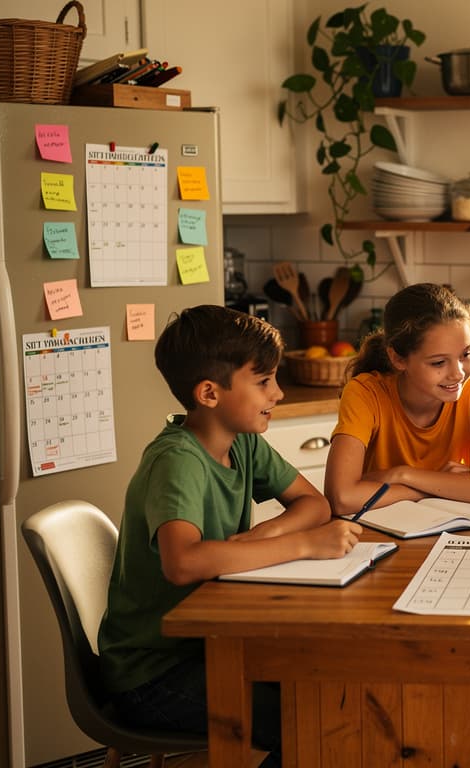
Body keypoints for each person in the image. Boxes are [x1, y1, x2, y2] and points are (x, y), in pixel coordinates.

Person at [98, 305, 362, 767]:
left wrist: (264, 534)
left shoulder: (241, 441)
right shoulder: (177, 460)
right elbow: (182, 564)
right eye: (263, 382)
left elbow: (314, 503)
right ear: (209, 393)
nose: (278, 393)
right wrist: (302, 544)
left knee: (330, 689)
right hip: (155, 673)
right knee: (320, 716)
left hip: (213, 644)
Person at [325, 283, 470, 517]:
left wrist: (402, 475)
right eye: (439, 362)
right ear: (398, 359)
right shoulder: (365, 393)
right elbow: (341, 498)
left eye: (465, 354)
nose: (458, 373)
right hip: (380, 532)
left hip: (452, 531)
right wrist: (437, 488)